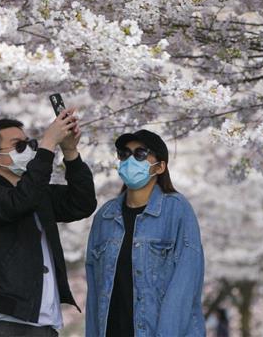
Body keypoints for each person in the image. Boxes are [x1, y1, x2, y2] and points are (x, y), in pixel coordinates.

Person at [0, 108, 97, 336]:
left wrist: (70, 152)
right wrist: (47, 144)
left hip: (46, 322)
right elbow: (20, 201)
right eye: (19, 146)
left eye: (31, 144)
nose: (28, 150)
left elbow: (82, 203)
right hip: (8, 321)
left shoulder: (39, 194)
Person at [85, 129, 205, 337]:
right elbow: (94, 292)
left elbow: (185, 284)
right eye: (124, 154)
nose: (130, 159)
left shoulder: (177, 210)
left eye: (140, 153)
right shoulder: (104, 216)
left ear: (160, 167)